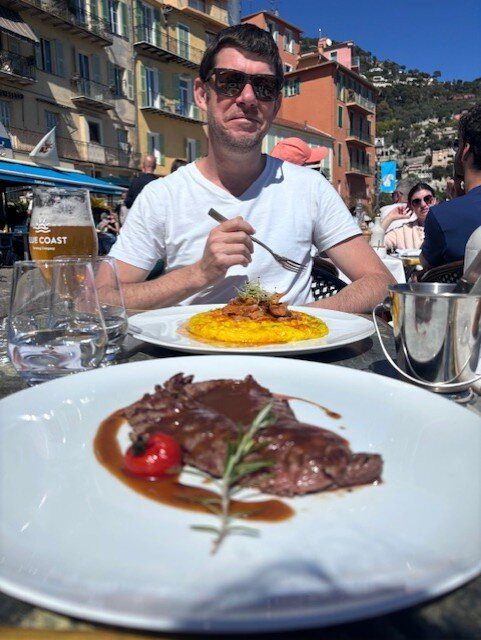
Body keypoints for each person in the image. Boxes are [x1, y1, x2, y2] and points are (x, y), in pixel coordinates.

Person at [108, 23, 393, 312]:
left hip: (291, 341)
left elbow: (380, 281)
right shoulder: (161, 196)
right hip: (190, 341)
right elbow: (100, 297)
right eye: (230, 81)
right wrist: (199, 274)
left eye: (264, 86)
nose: (247, 98)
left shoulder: (310, 188)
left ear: (276, 104)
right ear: (202, 94)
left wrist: (300, 322)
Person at [421, 104, 481, 269]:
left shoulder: (442, 216)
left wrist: (457, 201)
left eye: (457, 145)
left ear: (465, 151)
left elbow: (426, 263)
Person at [382, 182, 437, 251]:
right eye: (416, 201)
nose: (423, 204)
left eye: (427, 199)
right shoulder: (402, 232)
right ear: (410, 206)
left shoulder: (447, 225)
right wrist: (390, 217)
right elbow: (375, 245)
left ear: (434, 200)